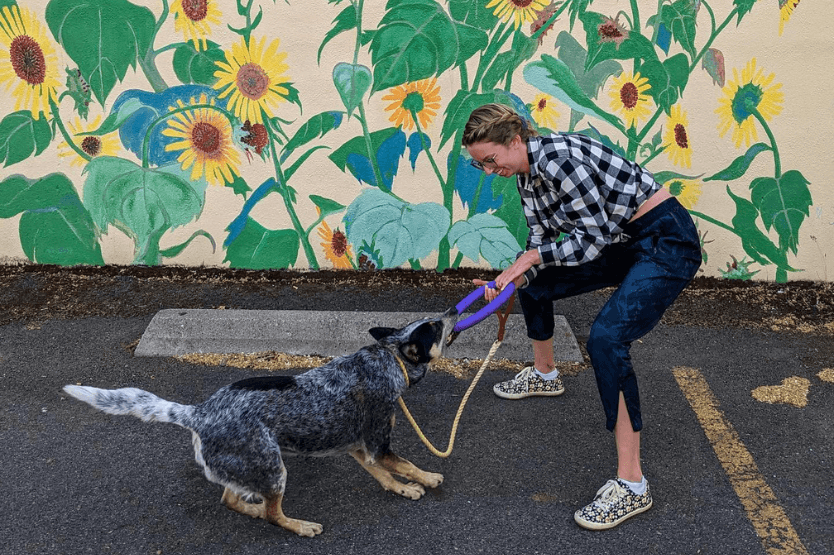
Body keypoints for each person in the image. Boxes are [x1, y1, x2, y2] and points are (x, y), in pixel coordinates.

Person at [462, 103, 702, 530]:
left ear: (515, 141)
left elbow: (590, 241)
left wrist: (532, 257)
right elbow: (540, 237)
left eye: (490, 160)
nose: (487, 170)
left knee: (607, 338)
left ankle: (632, 485)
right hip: (623, 240)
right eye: (480, 164)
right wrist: (514, 275)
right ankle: (545, 373)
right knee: (534, 283)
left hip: (666, 240)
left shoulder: (559, 158)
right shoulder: (526, 174)